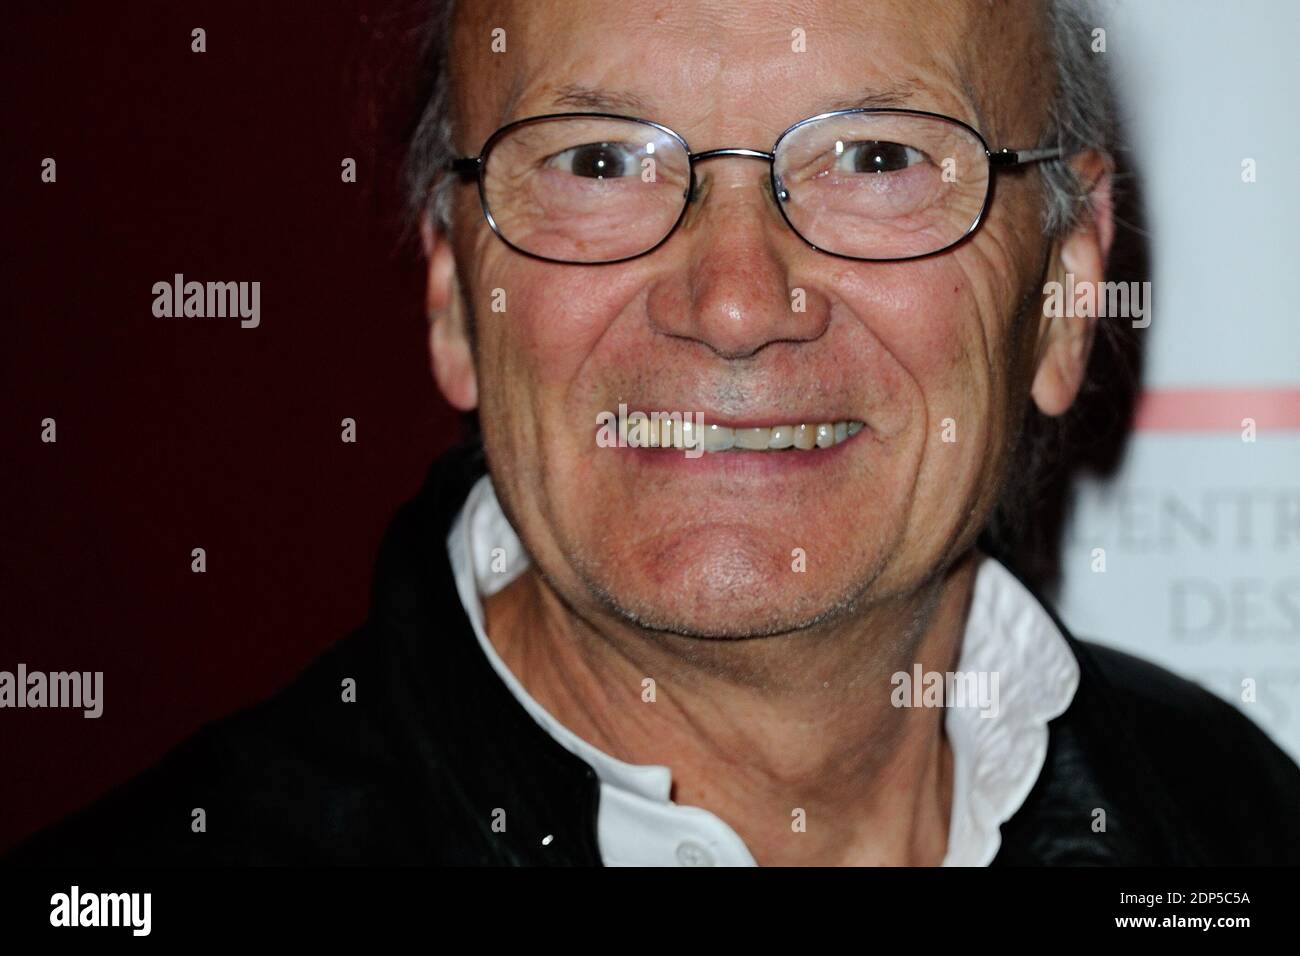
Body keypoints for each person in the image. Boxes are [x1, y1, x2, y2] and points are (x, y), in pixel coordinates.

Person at [10, 0, 1299, 866]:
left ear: (1066, 295)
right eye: (598, 163)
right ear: (458, 300)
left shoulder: (1235, 827)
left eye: (876, 157)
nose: (735, 302)